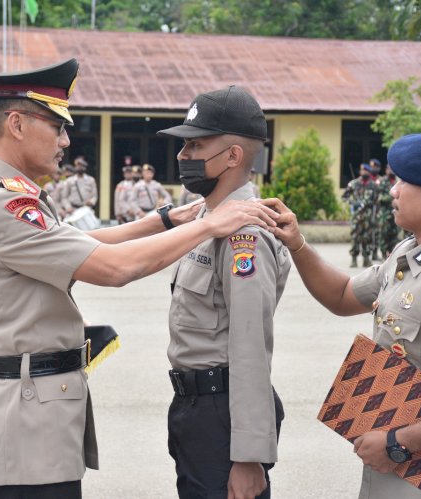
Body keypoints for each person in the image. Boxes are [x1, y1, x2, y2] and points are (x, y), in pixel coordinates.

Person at [0, 58, 279, 498]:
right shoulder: (5, 205)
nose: (66, 140)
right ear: (16, 123)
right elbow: (113, 266)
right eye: (57, 127)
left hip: (36, 410)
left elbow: (249, 347)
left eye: (194, 146)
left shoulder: (2, 196)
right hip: (26, 418)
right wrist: (206, 225)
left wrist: (164, 221)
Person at [270, 130, 421, 498]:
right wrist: (297, 243)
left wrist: (398, 443)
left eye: (404, 181)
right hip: (400, 462)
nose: (393, 190)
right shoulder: (412, 253)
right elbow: (341, 295)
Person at [156, 85, 288, 499]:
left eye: (195, 145)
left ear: (233, 156)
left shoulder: (242, 235)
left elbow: (251, 346)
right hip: (195, 408)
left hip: (222, 414)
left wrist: (249, 455)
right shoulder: (207, 218)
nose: (182, 156)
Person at [342, 162, 379, 268]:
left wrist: (372, 209)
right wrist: (353, 203)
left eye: (366, 170)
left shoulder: (373, 185)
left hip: (368, 217)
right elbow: (345, 197)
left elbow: (376, 201)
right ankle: (353, 259)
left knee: (367, 237)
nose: (364, 172)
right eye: (362, 170)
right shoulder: (353, 184)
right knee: (355, 237)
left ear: (369, 172)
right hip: (356, 217)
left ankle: (366, 259)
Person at [376, 164, 399, 258]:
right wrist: (392, 196)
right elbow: (380, 198)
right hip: (384, 214)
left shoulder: (397, 181)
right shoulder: (382, 181)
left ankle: (391, 254)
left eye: (393, 169)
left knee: (394, 235)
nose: (391, 171)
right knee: (384, 235)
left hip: (395, 212)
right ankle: (383, 253)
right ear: (386, 170)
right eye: (389, 169)